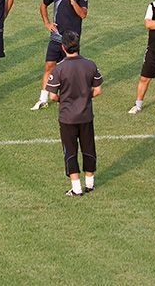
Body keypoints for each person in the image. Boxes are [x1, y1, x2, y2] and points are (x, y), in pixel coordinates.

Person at [45, 31, 103, 196]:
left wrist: (66, 99)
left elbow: (53, 96)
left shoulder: (59, 69)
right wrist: (84, 96)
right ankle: (90, 184)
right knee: (88, 147)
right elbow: (98, 90)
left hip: (67, 117)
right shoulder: (90, 64)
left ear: (63, 48)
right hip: (86, 116)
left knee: (70, 150)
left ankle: (76, 188)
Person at [31, 0, 88, 111]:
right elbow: (43, 5)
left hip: (72, 40)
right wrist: (47, 23)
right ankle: (42, 99)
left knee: (69, 71)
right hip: (56, 37)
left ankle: (70, 99)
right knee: (49, 66)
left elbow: (82, 14)